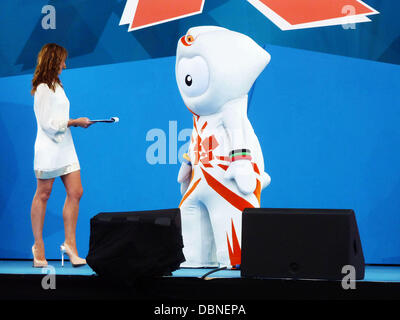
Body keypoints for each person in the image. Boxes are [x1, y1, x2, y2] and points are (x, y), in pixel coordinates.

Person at [30, 43, 92, 267]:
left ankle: (70, 245)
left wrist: (73, 124)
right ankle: (38, 246)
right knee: (44, 194)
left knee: (76, 192)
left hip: (66, 145)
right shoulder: (43, 88)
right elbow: (47, 124)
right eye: (62, 61)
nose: (65, 65)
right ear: (53, 60)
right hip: (47, 147)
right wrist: (74, 122)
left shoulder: (58, 85)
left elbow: (58, 118)